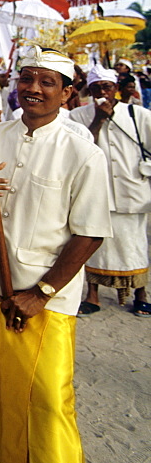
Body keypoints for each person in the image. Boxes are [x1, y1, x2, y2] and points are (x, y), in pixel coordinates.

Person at [0, 46, 112, 463]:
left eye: (47, 82)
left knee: (48, 398)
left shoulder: (82, 151)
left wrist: (41, 293)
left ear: (67, 94)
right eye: (27, 78)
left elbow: (91, 231)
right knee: (1, 390)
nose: (33, 89)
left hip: (43, 296)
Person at [71, 65, 151, 316]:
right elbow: (80, 150)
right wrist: (98, 119)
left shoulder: (139, 115)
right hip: (97, 193)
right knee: (94, 243)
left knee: (134, 244)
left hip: (132, 191)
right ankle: (92, 295)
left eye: (107, 87)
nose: (102, 92)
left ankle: (141, 294)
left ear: (115, 89)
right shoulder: (78, 116)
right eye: (96, 88)